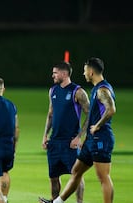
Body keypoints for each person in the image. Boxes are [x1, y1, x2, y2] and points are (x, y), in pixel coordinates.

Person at [39, 57, 116, 203]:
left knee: (103, 177)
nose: (83, 73)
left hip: (101, 138)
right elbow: (51, 114)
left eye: (85, 70)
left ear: (91, 71)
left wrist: (97, 125)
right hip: (90, 140)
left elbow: (111, 109)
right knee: (76, 172)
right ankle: (56, 202)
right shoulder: (95, 89)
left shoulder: (102, 89)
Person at [40, 62, 90, 203]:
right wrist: (45, 135)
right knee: (54, 176)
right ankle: (54, 200)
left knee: (76, 175)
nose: (53, 75)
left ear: (64, 73)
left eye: (55, 73)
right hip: (54, 142)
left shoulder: (78, 92)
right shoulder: (53, 90)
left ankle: (79, 202)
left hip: (70, 143)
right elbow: (50, 114)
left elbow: (90, 114)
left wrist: (79, 137)